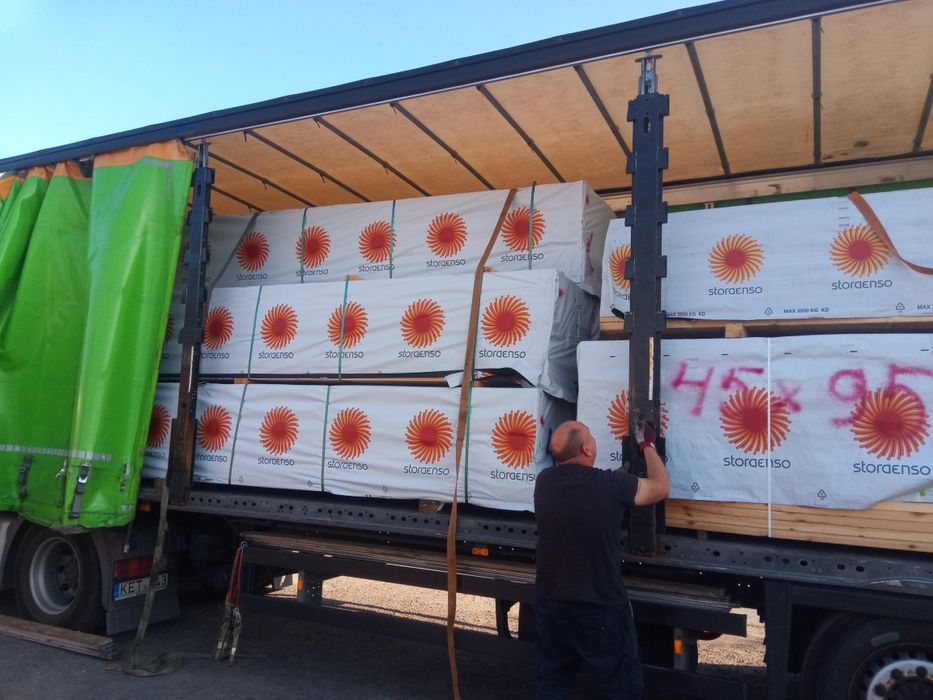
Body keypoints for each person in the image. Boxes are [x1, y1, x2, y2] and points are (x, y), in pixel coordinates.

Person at [533, 418, 669, 699]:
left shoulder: (544, 482)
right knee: (621, 686)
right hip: (599, 605)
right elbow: (659, 487)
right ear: (586, 448)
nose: (594, 439)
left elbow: (582, 491)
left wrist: (620, 479)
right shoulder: (612, 485)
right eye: (591, 436)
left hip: (552, 603)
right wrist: (647, 445)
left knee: (553, 683)